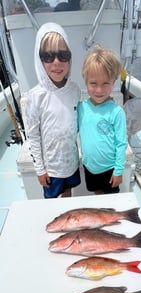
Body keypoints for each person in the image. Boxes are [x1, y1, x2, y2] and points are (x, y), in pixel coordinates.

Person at [25, 22, 81, 198]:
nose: (56, 62)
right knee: (51, 203)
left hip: (71, 163)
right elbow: (33, 136)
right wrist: (40, 170)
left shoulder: (75, 90)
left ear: (69, 58)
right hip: (50, 169)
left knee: (68, 193)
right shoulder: (35, 96)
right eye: (48, 56)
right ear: (39, 59)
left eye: (63, 55)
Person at [78, 47, 128, 195]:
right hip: (90, 167)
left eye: (106, 83)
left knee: (110, 202)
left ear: (113, 81)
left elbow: (121, 143)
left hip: (110, 169)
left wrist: (118, 171)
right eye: (93, 83)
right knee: (97, 195)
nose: (99, 90)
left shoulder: (116, 112)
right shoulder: (81, 108)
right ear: (85, 81)